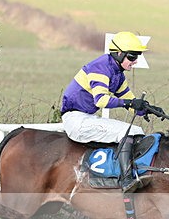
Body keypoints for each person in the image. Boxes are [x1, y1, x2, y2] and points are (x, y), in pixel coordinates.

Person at [60, 31, 156, 192]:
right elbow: (101, 100)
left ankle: (124, 174)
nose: (135, 61)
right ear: (119, 54)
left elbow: (130, 102)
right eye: (132, 57)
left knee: (137, 130)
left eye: (137, 56)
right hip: (76, 120)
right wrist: (129, 103)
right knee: (128, 132)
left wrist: (147, 108)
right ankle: (126, 181)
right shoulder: (100, 67)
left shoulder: (117, 74)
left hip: (87, 118)